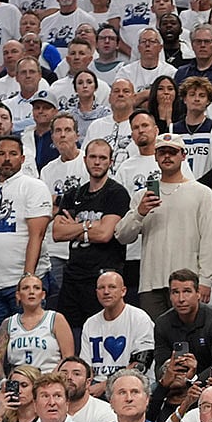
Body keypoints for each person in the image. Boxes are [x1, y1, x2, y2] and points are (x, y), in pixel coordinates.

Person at [114, 130, 212, 319]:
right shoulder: (143, 196)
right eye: (162, 152)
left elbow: (211, 240)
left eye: (172, 152)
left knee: (189, 338)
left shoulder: (202, 193)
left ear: (183, 155)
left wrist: (206, 279)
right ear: (155, 156)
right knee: (156, 341)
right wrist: (139, 213)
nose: (167, 156)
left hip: (188, 283)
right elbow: (122, 236)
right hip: (151, 283)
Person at [54, 138, 131, 329]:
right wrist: (89, 227)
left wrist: (76, 227)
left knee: (101, 332)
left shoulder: (117, 193)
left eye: (103, 158)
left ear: (111, 162)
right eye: (93, 157)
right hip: (73, 276)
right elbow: (57, 232)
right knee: (70, 334)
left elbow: (105, 234)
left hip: (103, 276)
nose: (97, 162)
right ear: (85, 159)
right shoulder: (73, 195)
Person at [0, 135, 52, 332]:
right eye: (1, 154)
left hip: (24, 284)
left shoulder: (34, 186)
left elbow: (37, 235)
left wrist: (27, 280)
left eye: (13, 154)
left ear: (22, 158)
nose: (7, 159)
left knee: (29, 340)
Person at [79, 271, 155, 395]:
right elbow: (86, 367)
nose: (106, 292)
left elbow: (140, 365)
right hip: (96, 384)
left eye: (112, 287)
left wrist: (105, 385)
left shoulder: (139, 318)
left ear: (123, 291)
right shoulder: (90, 323)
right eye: (101, 288)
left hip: (132, 384)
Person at [0, 274, 73, 382]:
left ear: (43, 294)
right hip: (19, 383)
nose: (31, 292)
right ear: (18, 295)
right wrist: (3, 381)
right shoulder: (8, 323)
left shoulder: (56, 319)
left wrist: (49, 380)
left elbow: (68, 358)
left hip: (50, 382)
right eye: (25, 288)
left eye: (36, 288)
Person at [58, 355, 118, 422]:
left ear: (88, 383)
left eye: (76, 374)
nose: (69, 377)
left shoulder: (104, 412)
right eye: (64, 373)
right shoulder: (49, 410)